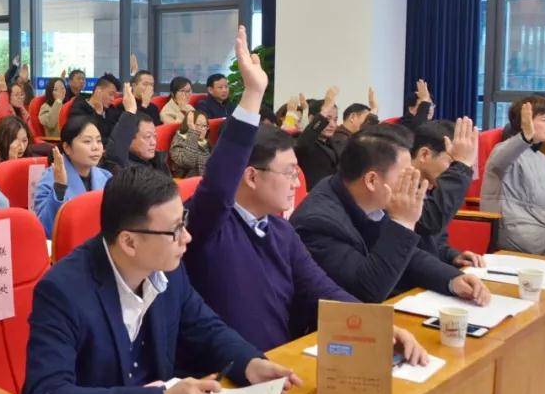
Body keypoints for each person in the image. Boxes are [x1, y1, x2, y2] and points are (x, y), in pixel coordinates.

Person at [22, 164, 302, 394]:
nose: (187, 237)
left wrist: (250, 363)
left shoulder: (167, 269)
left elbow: (206, 327)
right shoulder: (63, 291)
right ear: (129, 242)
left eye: (184, 222)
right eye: (175, 230)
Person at [182, 27, 430, 356]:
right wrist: (253, 94)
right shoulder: (208, 227)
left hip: (283, 364)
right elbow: (218, 183)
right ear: (251, 176)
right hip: (226, 373)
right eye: (288, 173)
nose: (298, 183)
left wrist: (379, 327)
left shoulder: (281, 231)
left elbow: (323, 291)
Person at [291, 124, 490, 304]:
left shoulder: (366, 197)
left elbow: (410, 256)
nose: (411, 182)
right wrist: (403, 223)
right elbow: (367, 290)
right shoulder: (318, 223)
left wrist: (452, 279)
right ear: (372, 180)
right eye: (404, 175)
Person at [481, 98, 545, 258]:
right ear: (524, 122)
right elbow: (501, 160)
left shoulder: (541, 158)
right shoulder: (503, 150)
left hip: (542, 228)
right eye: (544, 120)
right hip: (513, 229)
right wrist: (525, 136)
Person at [411, 119, 486, 268]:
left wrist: (452, 256)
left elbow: (434, 242)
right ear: (424, 154)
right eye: (452, 163)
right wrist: (461, 166)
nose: (453, 170)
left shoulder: (429, 187)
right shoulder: (397, 188)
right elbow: (429, 222)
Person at [33, 116, 112, 237]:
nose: (96, 147)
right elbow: (46, 230)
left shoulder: (106, 177)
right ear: (67, 148)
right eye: (87, 141)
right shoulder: (50, 178)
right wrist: (59, 187)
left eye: (99, 141)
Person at [103, 83, 168, 175]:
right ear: (129, 139)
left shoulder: (158, 161)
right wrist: (130, 111)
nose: (153, 142)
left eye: (154, 136)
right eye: (148, 137)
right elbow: (115, 154)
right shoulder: (125, 169)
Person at [294, 87, 340, 191]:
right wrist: (324, 111)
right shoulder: (304, 140)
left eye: (335, 119)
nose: (332, 124)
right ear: (311, 119)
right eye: (327, 119)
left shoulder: (333, 143)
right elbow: (301, 145)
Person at [68, 74, 116, 143]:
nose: (112, 99)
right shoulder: (79, 107)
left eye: (114, 95)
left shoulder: (111, 109)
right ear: (98, 91)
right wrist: (98, 113)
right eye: (110, 94)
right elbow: (84, 134)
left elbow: (115, 133)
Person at [169, 111, 210, 179]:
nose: (202, 129)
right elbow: (188, 162)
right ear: (188, 125)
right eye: (197, 125)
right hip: (188, 182)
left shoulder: (205, 143)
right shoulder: (178, 142)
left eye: (204, 126)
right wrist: (193, 132)